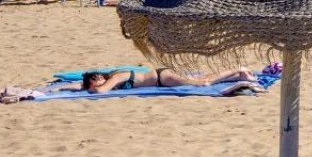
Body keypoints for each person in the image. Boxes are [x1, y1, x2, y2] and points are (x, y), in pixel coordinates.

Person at [80, 67, 261, 93]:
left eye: (93, 82)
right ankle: (238, 77)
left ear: (98, 78)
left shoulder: (115, 77)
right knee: (202, 80)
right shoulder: (113, 77)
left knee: (204, 82)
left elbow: (101, 91)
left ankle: (239, 69)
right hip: (161, 77)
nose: (94, 86)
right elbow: (80, 85)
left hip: (162, 78)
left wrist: (90, 88)